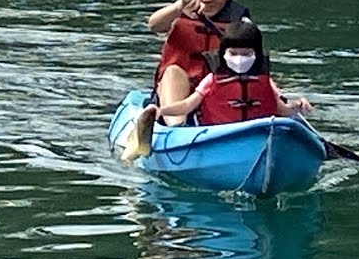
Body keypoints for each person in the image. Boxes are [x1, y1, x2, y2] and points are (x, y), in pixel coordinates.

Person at [122, 20, 312, 161]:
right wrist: (162, 111)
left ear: (256, 55)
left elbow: (282, 110)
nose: (240, 59)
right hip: (218, 135)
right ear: (224, 54)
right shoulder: (212, 80)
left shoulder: (265, 82)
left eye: (246, 54)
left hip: (259, 135)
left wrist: (298, 106)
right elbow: (188, 105)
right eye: (234, 53)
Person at [145, 0, 253, 125]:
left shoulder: (240, 21)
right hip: (180, 90)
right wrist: (178, 7)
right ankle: (176, 127)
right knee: (173, 71)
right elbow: (154, 25)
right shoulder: (179, 12)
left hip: (219, 90)